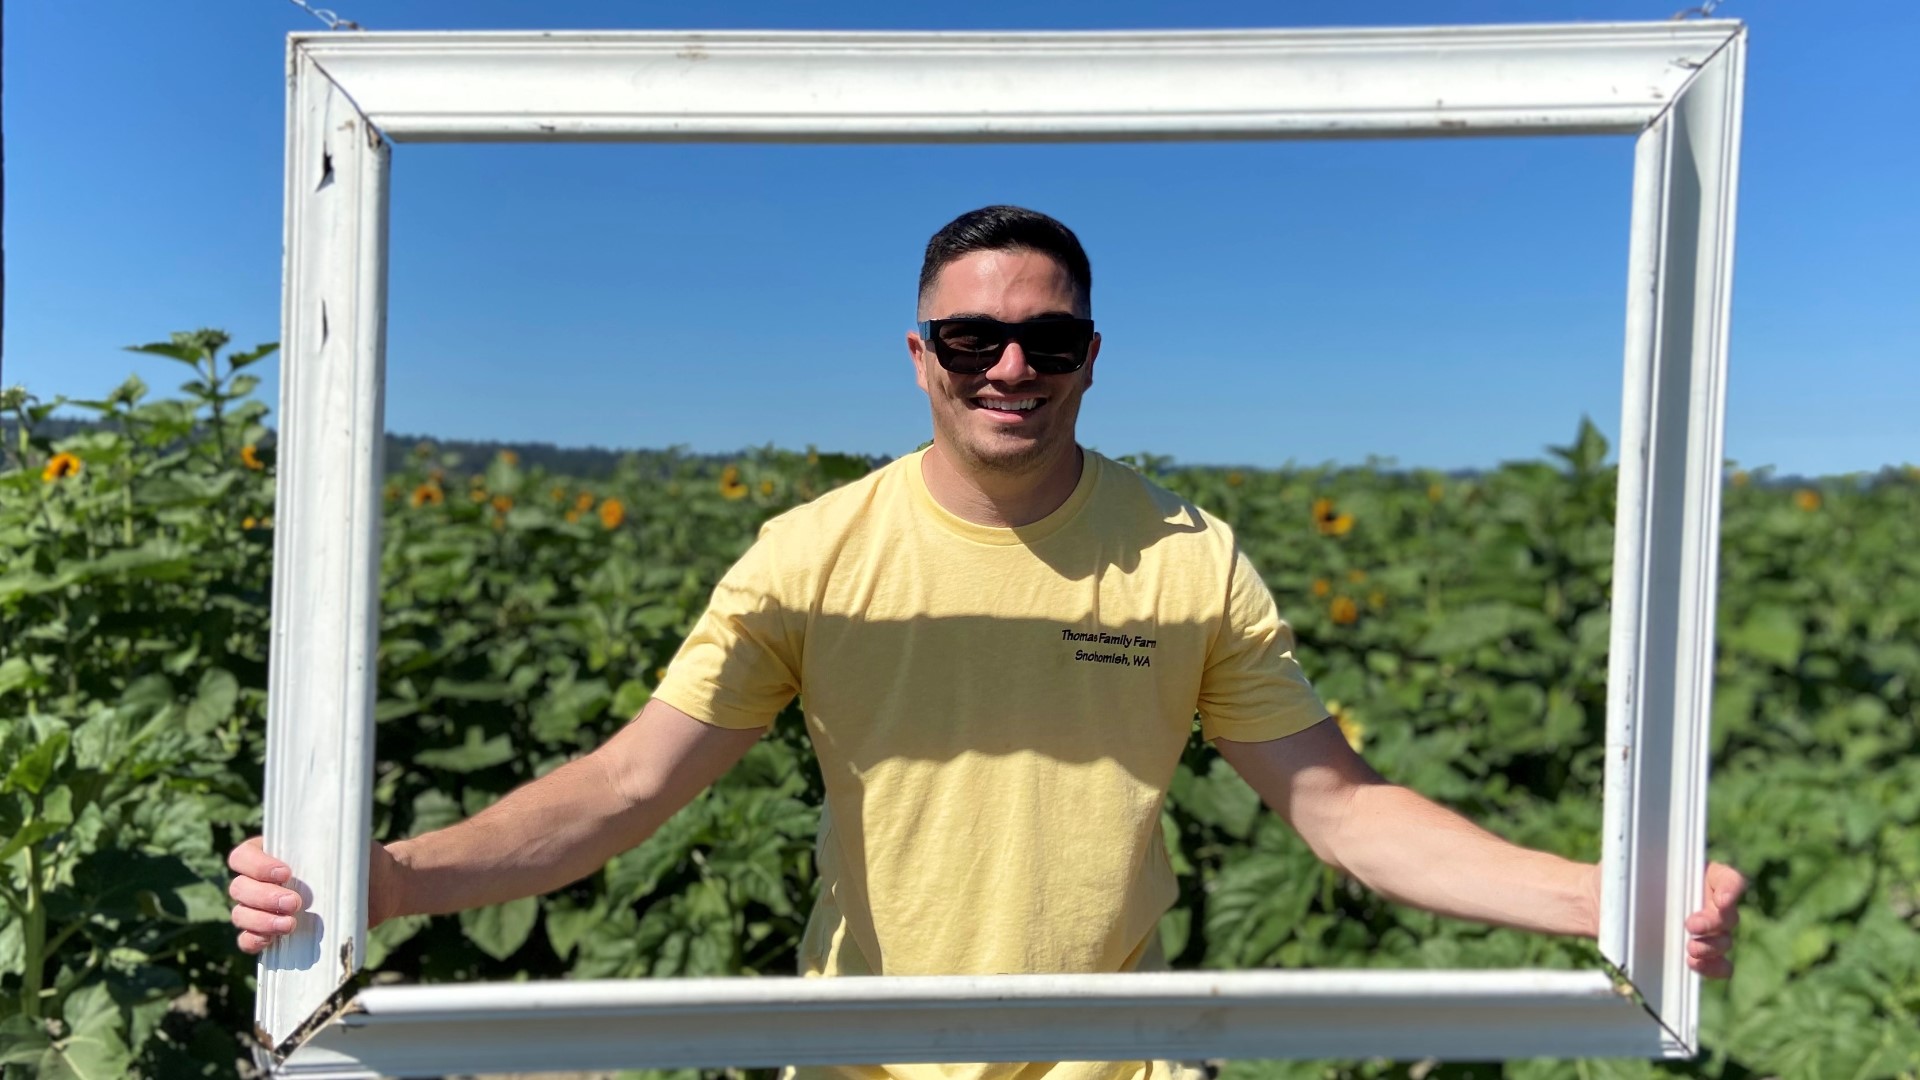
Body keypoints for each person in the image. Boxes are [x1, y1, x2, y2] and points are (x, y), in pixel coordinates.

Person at [229, 205, 1744, 1078]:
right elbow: (627, 792)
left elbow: (1342, 812)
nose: (1010, 364)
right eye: (973, 338)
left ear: (1092, 358)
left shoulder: (1187, 557)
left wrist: (1613, 899)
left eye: (1048, 338)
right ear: (920, 356)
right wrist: (384, 881)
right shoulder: (812, 555)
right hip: (872, 1064)